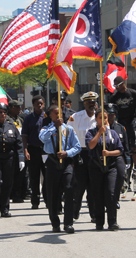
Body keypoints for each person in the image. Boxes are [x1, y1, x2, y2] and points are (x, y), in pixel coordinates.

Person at [39, 105, 81, 233]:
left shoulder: (68, 129)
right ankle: (55, 222)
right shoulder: (46, 128)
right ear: (50, 115)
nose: (58, 115)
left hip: (66, 162)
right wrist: (54, 127)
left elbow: (77, 146)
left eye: (60, 113)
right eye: (55, 113)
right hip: (52, 161)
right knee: (52, 194)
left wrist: (67, 153)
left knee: (69, 190)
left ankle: (68, 223)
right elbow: (42, 138)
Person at [86, 108, 125, 231]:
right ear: (96, 119)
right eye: (100, 118)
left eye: (105, 117)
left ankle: (112, 221)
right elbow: (90, 145)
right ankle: (99, 221)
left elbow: (120, 150)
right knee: (97, 194)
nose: (103, 120)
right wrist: (99, 133)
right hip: (96, 166)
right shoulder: (91, 132)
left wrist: (108, 153)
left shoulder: (112, 133)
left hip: (110, 166)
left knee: (111, 193)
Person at [109, 76, 136, 190]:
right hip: (120, 123)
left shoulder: (133, 93)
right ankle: (124, 173)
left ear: (123, 83)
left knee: (134, 146)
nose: (116, 87)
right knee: (122, 148)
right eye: (114, 86)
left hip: (131, 122)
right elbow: (110, 110)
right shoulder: (114, 97)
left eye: (118, 85)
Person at [67, 91, 98, 222]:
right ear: (84, 103)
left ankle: (94, 215)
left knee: (93, 187)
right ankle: (74, 213)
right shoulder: (76, 117)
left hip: (95, 155)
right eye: (89, 102)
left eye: (94, 102)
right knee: (78, 187)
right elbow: (67, 137)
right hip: (80, 155)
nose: (92, 104)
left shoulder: (100, 117)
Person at [22, 95, 47, 209]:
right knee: (34, 176)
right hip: (33, 149)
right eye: (37, 104)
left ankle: (47, 199)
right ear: (33, 105)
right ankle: (35, 201)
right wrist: (25, 150)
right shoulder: (28, 119)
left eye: (41, 103)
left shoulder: (48, 117)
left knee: (47, 176)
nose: (40, 105)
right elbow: (24, 136)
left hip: (46, 150)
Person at [106, 103, 131, 205]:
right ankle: (107, 199)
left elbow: (125, 145)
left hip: (118, 156)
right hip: (105, 157)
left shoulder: (120, 128)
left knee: (121, 176)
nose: (111, 115)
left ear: (115, 115)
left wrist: (128, 159)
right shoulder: (101, 128)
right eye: (108, 113)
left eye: (112, 113)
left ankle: (115, 199)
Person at [7, 100, 26, 203]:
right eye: (17, 107)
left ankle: (18, 193)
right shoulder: (7, 119)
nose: (20, 109)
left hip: (19, 147)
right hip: (10, 148)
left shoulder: (19, 119)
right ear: (12, 108)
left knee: (20, 173)